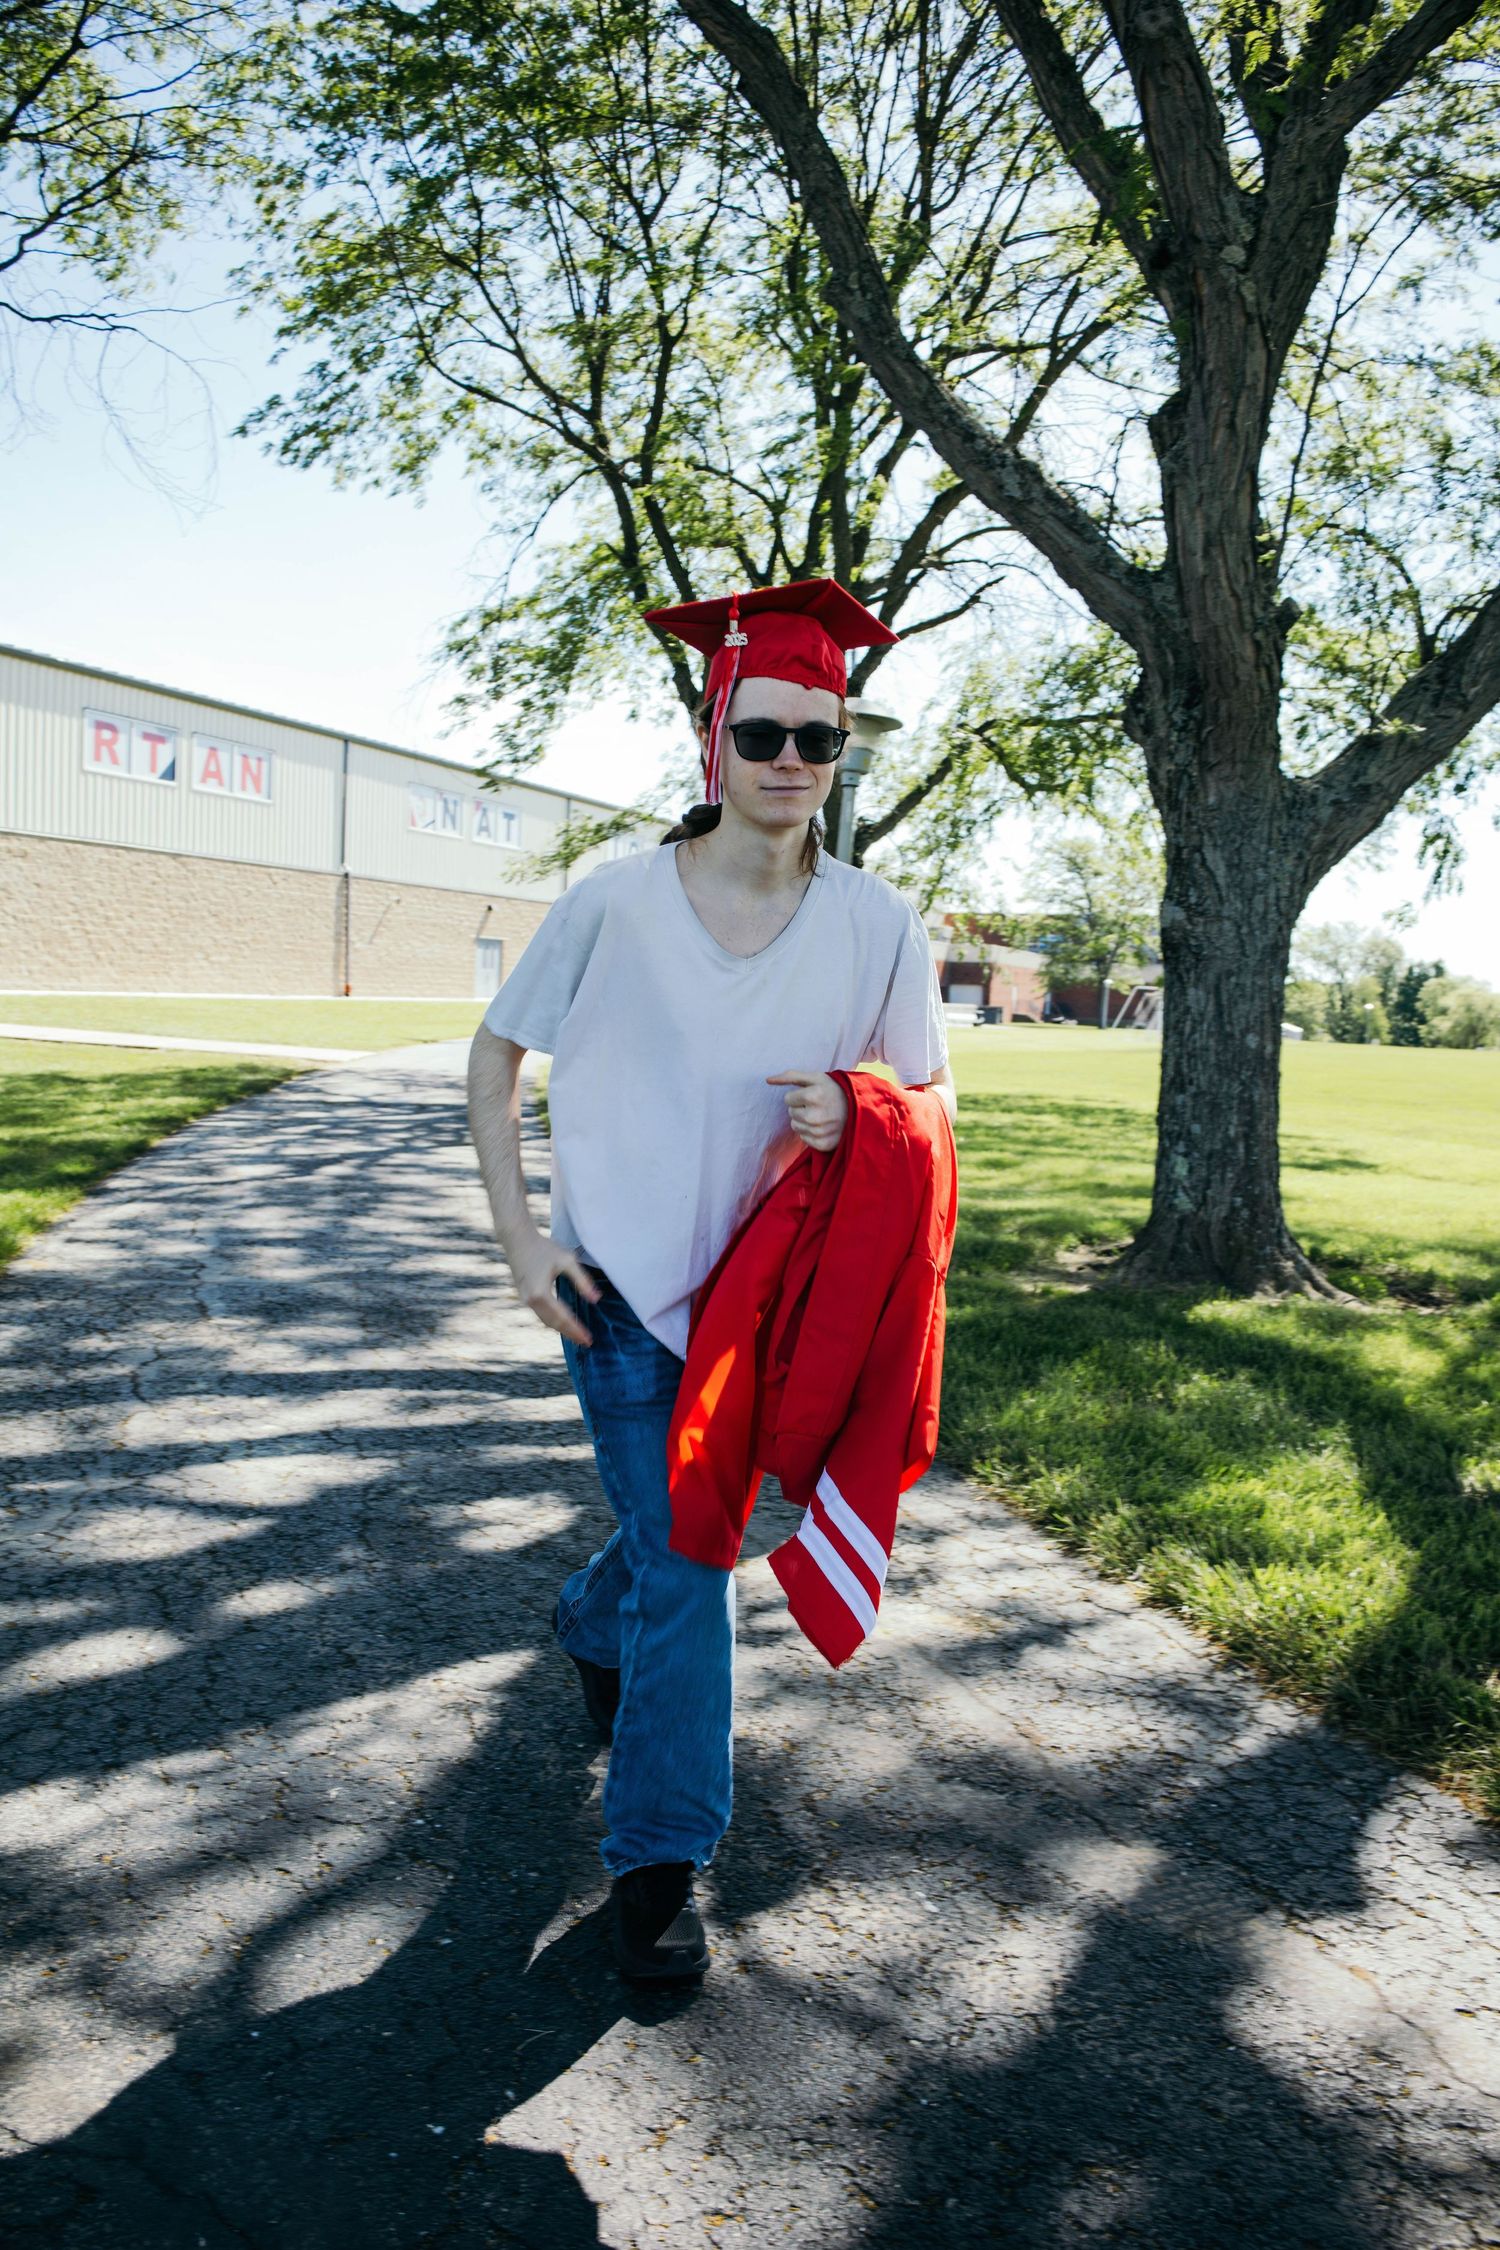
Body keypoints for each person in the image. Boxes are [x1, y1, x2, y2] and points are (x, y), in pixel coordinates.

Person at [466, 577, 956, 1983]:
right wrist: (520, 1239)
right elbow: (496, 1060)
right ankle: (664, 1863)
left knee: (671, 1542)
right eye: (766, 735)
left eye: (822, 738)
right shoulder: (615, 901)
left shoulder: (878, 924)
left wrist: (858, 1108)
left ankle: (581, 1619)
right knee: (692, 1561)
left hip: (768, 1309)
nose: (792, 762)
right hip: (614, 1293)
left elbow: (927, 1108)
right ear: (713, 739)